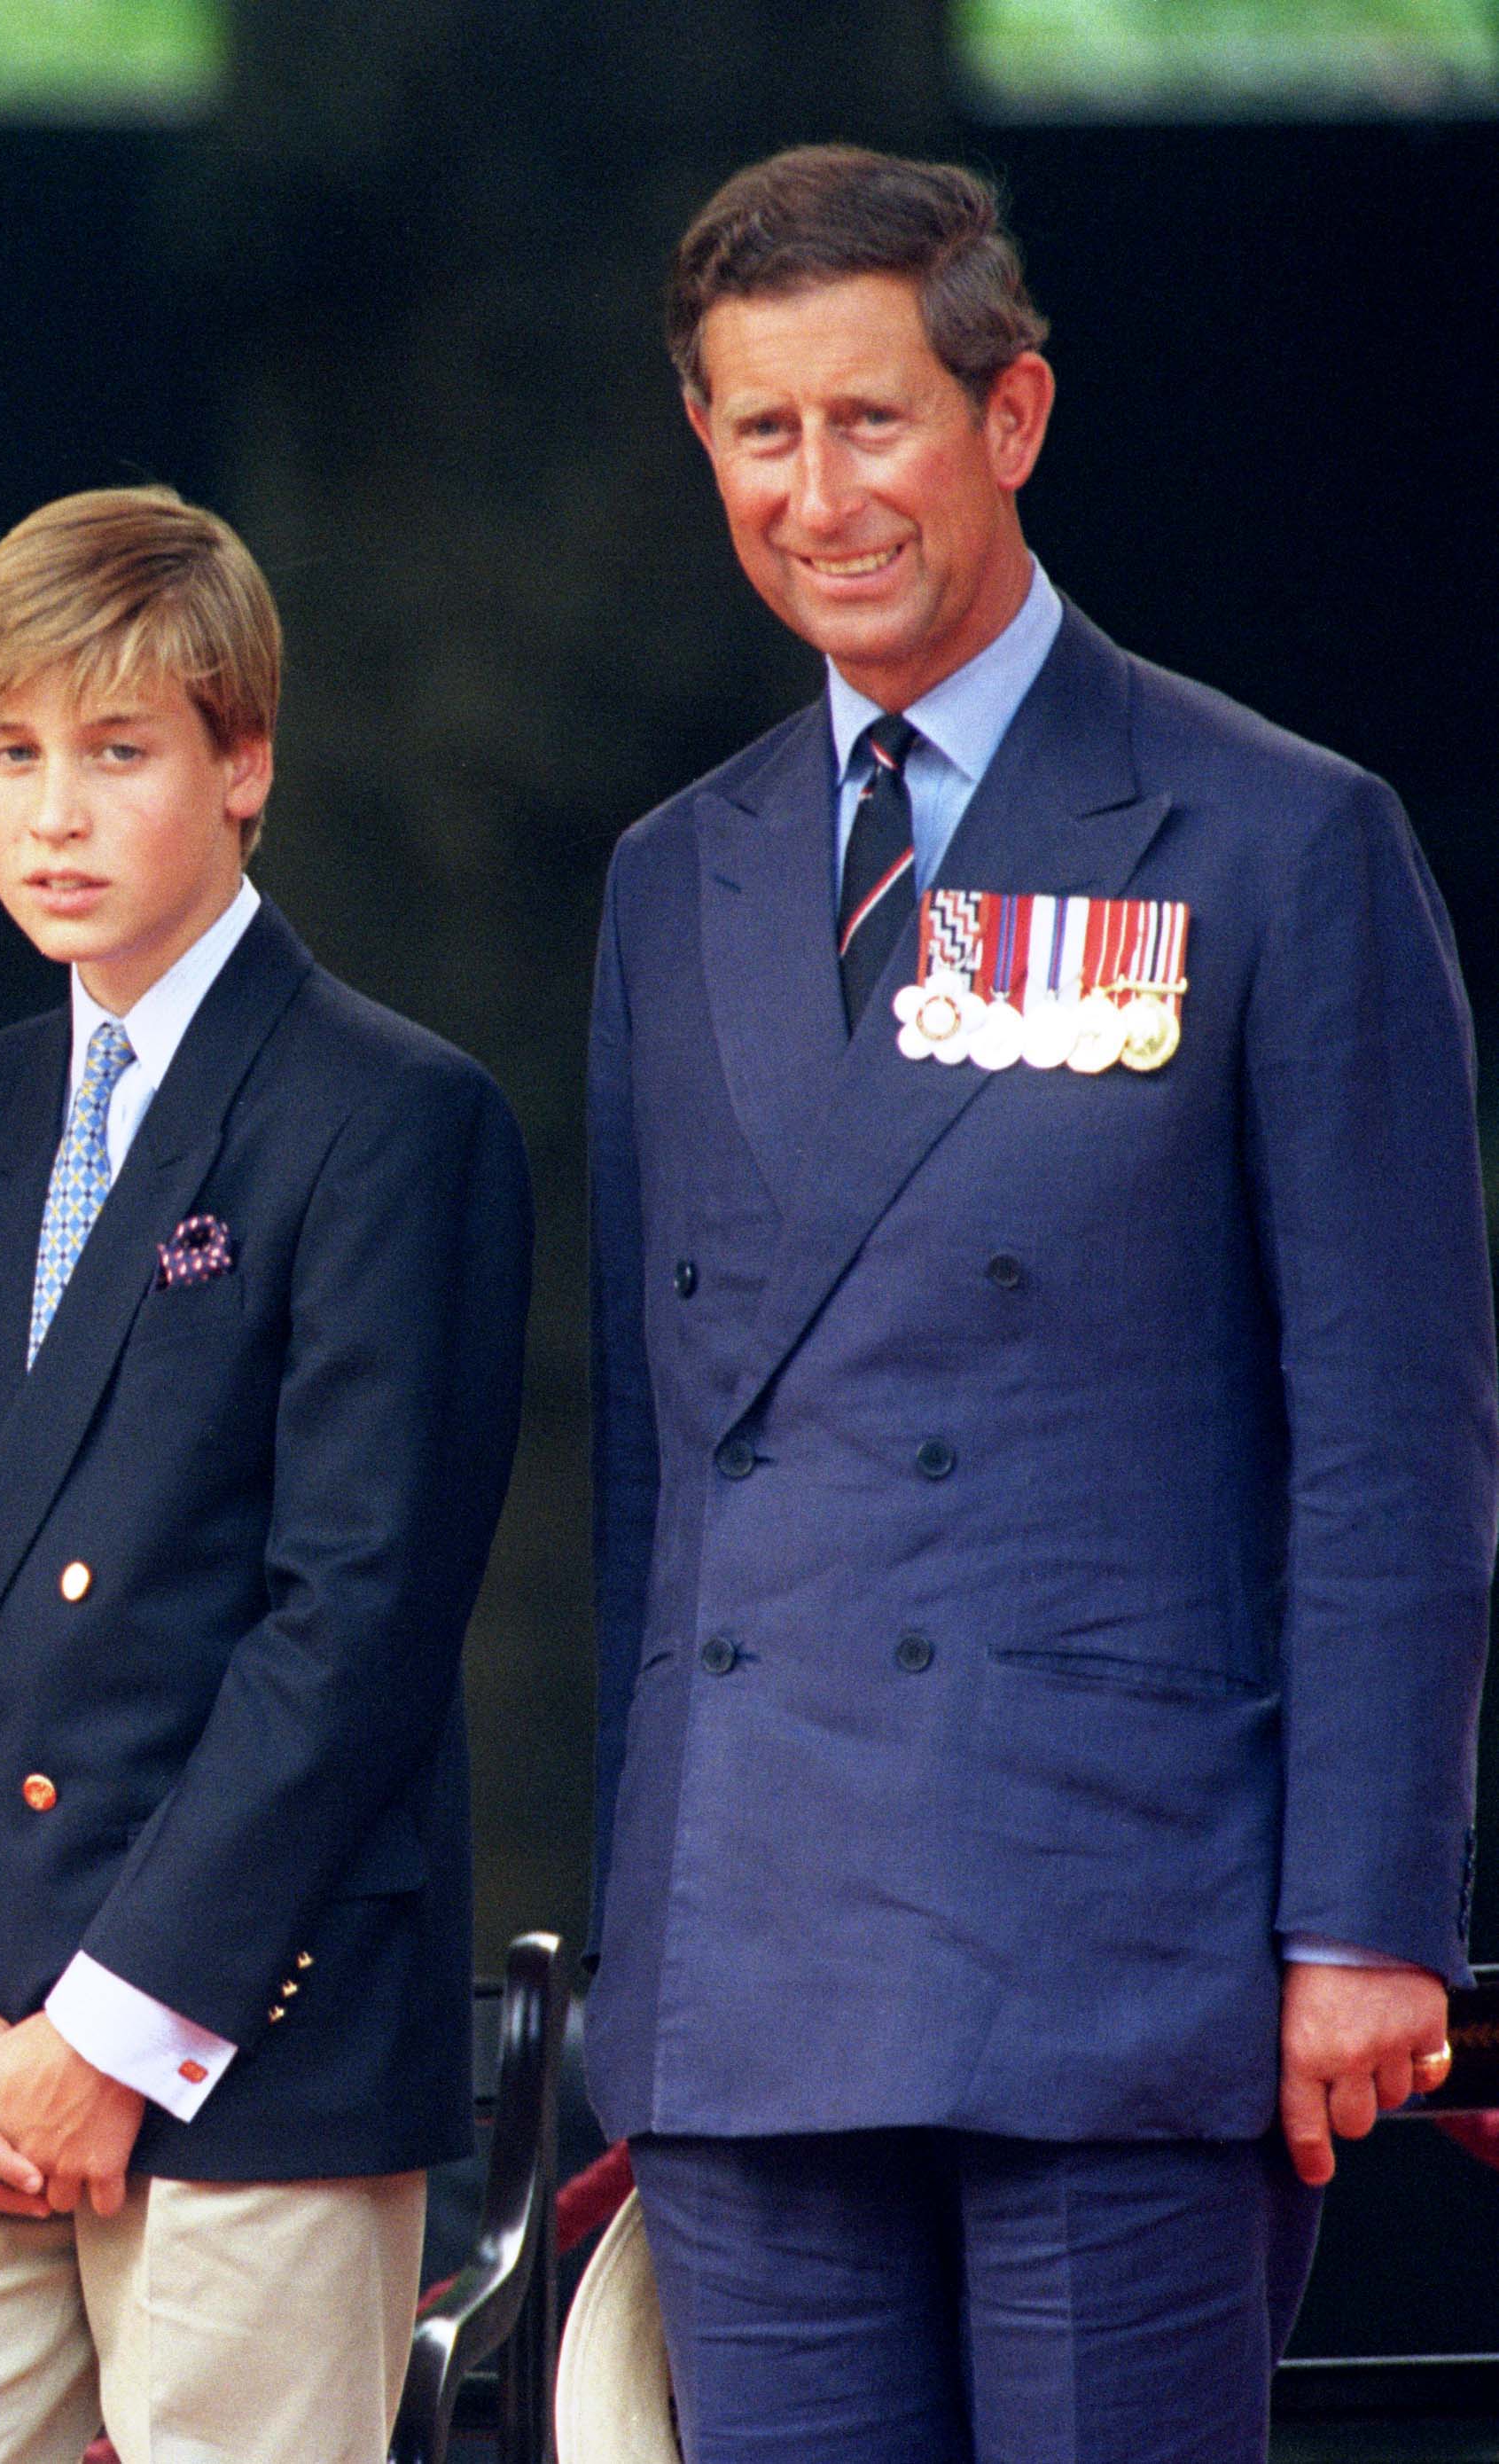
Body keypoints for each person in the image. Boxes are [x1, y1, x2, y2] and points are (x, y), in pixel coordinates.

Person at [584, 144, 1495, 2461]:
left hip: (1116, 1937)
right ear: (703, 445)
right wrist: (650, 1931)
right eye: (758, 432)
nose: (817, 491)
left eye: (869, 419)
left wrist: (1366, 1918)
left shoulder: (1275, 838)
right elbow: (656, 1461)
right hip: (756, 1956)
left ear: (1012, 417)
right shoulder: (670, 877)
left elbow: (1394, 1440)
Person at [0, 484, 532, 2464]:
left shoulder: (391, 1118)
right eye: (8, 756)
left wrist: (116, 2028)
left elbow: (351, 1624)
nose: (52, 814)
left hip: (243, 2039)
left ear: (243, 762)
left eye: (115, 754)